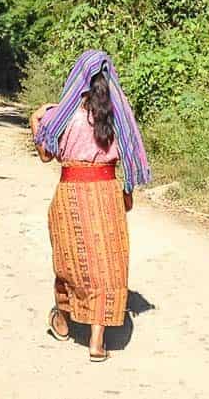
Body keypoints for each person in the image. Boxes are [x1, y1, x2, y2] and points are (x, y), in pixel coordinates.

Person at [29, 49, 151, 363]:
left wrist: (33, 121)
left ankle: (63, 319)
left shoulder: (61, 114)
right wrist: (127, 192)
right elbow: (128, 153)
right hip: (107, 192)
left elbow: (46, 155)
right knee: (107, 265)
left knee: (71, 262)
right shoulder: (117, 113)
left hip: (71, 193)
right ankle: (97, 342)